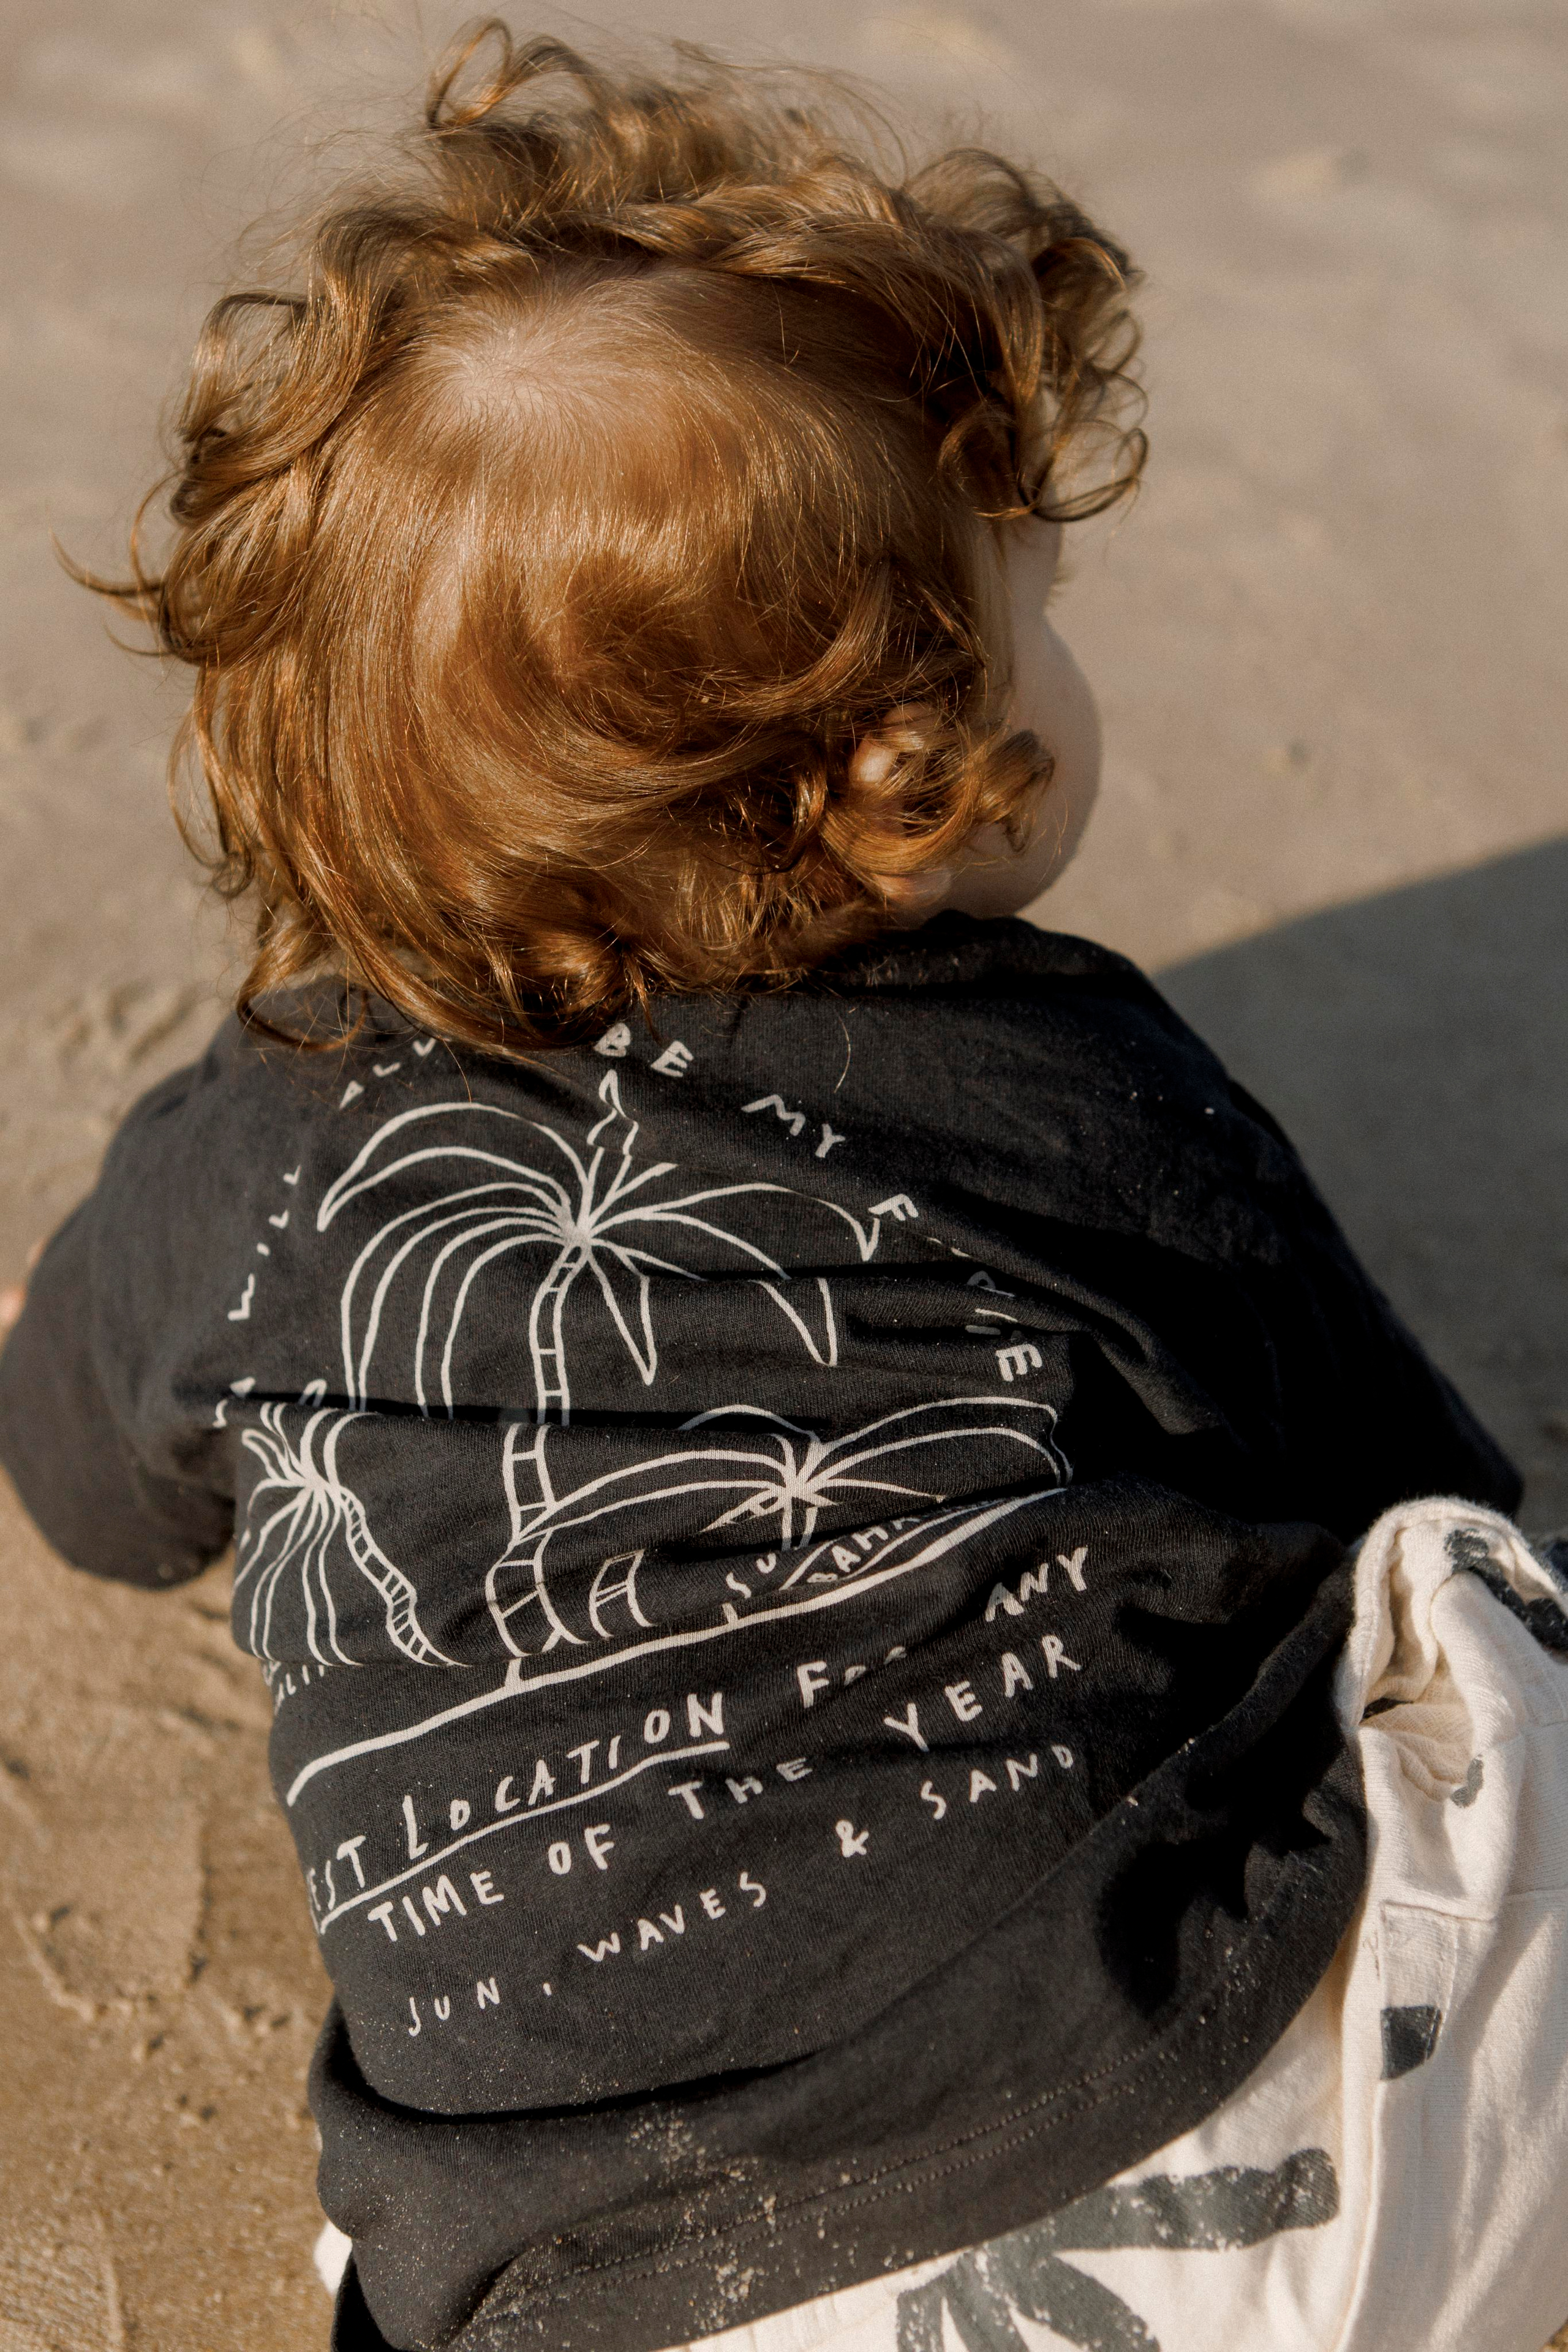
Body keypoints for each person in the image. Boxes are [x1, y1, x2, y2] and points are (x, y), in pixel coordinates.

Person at [0, 26, 1528, 2352]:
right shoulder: (1068, 1074)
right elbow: (1376, 1465)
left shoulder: (258, 1158)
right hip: (1269, 2137)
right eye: (1044, 607)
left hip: (612, 2288)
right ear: (915, 765)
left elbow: (88, 1488)